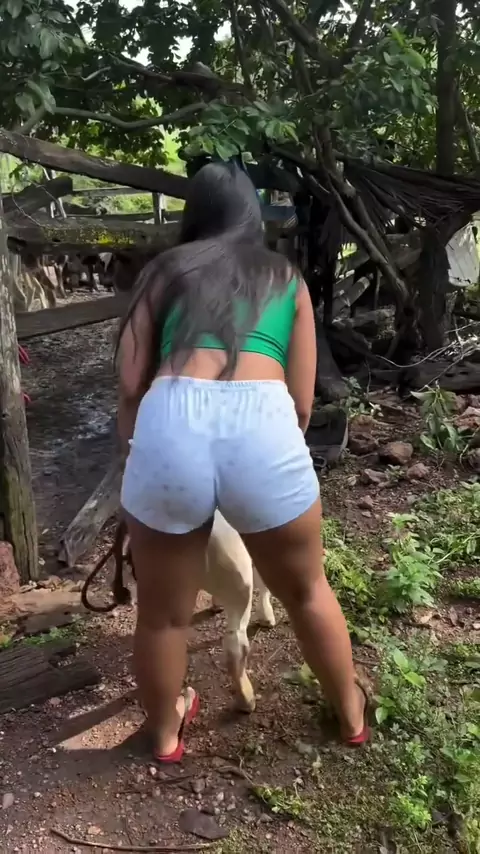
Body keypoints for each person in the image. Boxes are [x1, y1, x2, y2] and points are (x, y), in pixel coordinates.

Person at [115, 161, 369, 764]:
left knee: (162, 617)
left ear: (194, 215)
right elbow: (301, 402)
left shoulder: (163, 272)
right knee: (306, 590)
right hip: (263, 420)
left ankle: (166, 734)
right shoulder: (285, 277)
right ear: (253, 217)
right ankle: (352, 713)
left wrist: (140, 455)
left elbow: (129, 383)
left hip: (171, 418)